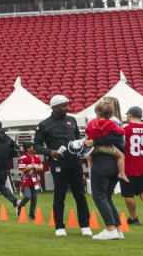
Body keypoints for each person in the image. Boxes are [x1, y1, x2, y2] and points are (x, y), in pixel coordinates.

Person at [33, 95, 93, 237]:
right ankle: (59, 227)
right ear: (54, 107)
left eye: (67, 105)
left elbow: (78, 138)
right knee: (59, 195)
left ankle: (85, 225)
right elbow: (36, 145)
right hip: (58, 163)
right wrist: (50, 152)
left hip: (74, 162)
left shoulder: (71, 120)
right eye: (63, 106)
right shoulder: (44, 125)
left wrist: (81, 145)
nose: (66, 108)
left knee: (80, 195)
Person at [84, 97, 127, 240]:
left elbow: (89, 140)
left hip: (101, 161)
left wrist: (93, 141)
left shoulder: (93, 124)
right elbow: (118, 137)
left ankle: (110, 228)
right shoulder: (114, 123)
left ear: (97, 111)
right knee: (107, 196)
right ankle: (118, 229)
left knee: (99, 196)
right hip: (115, 161)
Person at [18, 142, 44, 218]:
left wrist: (33, 167)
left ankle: (31, 214)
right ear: (28, 149)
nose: (34, 148)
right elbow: (22, 169)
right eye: (32, 147)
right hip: (26, 180)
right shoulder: (23, 158)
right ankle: (19, 206)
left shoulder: (36, 157)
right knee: (27, 196)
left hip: (35, 180)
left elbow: (42, 167)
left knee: (34, 198)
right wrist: (33, 167)